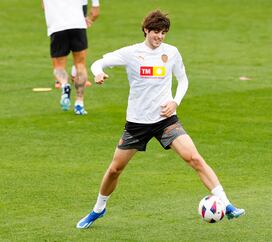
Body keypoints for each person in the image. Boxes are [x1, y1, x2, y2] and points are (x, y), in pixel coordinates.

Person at [76, 10, 245, 229]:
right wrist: (98, 73)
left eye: (164, 32)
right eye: (156, 32)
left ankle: (226, 204)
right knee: (115, 169)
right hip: (137, 123)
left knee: (194, 158)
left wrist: (175, 101)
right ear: (146, 30)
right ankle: (99, 208)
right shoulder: (131, 53)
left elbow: (183, 80)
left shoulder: (172, 53)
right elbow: (98, 63)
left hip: (166, 120)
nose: (160, 37)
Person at [42, 0, 90, 115]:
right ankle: (79, 103)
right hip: (77, 24)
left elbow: (43, 6)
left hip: (57, 27)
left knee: (58, 66)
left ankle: (64, 84)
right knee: (80, 64)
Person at [70, 0, 101, 88]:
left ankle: (76, 74)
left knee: (78, 41)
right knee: (60, 35)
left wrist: (95, 4)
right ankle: (60, 78)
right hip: (58, 5)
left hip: (79, 4)